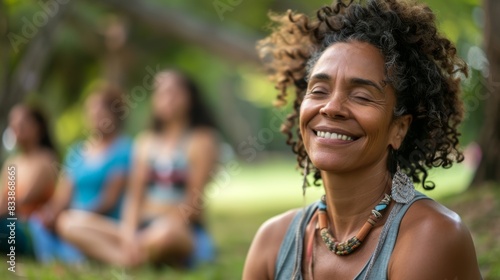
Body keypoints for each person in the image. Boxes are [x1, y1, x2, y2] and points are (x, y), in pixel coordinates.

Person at [243, 1, 482, 279]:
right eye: (319, 90)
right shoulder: (273, 242)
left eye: (361, 96)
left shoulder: (430, 236)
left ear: (399, 129)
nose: (331, 107)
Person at [56, 69, 219, 268]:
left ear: (190, 98)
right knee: (69, 222)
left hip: (180, 229)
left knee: (166, 235)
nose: (168, 98)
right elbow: (134, 197)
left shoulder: (202, 140)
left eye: (175, 92)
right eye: (161, 93)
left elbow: (193, 203)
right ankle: (127, 259)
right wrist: (129, 234)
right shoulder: (145, 142)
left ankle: (122, 256)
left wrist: (161, 226)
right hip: (142, 228)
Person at [32, 84, 133, 264]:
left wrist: (79, 216)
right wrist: (50, 213)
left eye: (100, 109)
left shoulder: (124, 150)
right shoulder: (76, 151)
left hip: (103, 223)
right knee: (36, 224)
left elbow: (110, 199)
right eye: (91, 110)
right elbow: (62, 196)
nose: (95, 115)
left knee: (68, 224)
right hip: (70, 220)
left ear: (114, 114)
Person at [0, 105, 58, 256]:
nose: (16, 127)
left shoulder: (45, 160)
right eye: (13, 123)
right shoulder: (12, 163)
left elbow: (20, 202)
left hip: (32, 232)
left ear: (38, 127)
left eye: (22, 123)